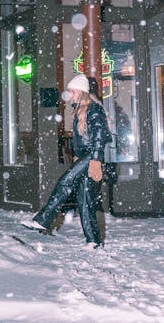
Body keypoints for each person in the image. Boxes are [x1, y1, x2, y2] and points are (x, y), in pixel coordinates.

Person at [22, 74, 112, 248]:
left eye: (72, 90)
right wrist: (78, 155)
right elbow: (83, 138)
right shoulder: (81, 109)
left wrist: (95, 160)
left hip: (91, 155)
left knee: (65, 181)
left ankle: (43, 219)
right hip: (86, 155)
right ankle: (93, 240)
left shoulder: (94, 109)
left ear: (81, 91)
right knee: (84, 199)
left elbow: (99, 136)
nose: (70, 93)